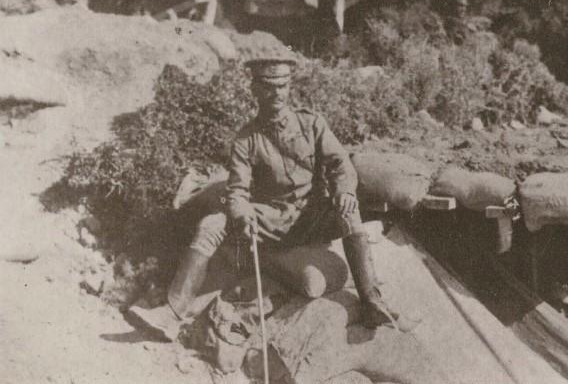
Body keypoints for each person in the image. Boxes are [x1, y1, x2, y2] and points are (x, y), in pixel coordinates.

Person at [130, 57, 413, 340]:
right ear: (254, 89)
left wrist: (344, 191)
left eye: (283, 86)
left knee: (349, 209)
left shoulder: (312, 124)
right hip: (273, 220)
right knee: (211, 225)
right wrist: (241, 214)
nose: (276, 93)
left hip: (314, 216)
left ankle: (372, 302)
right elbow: (237, 191)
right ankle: (173, 312)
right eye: (268, 87)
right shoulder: (246, 140)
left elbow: (340, 165)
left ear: (290, 87)